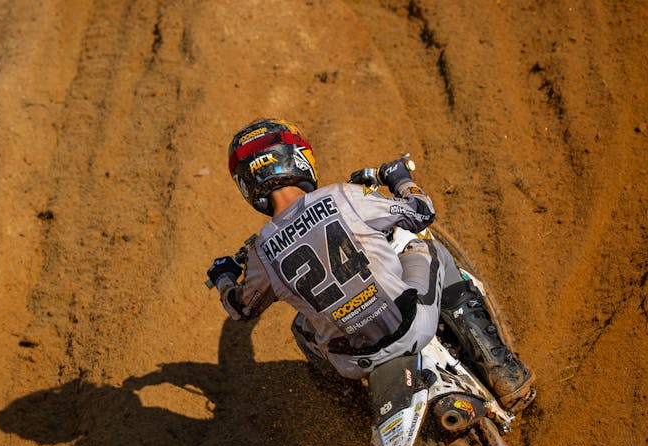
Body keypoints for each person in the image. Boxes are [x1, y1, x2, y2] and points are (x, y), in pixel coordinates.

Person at [207, 118, 534, 412]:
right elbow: (421, 212)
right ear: (296, 158)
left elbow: (241, 309)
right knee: (429, 249)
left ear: (247, 184)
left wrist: (224, 276)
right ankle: (504, 372)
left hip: (352, 362)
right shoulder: (340, 196)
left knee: (303, 329)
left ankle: (355, 414)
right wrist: (400, 178)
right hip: (409, 328)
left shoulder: (262, 251)